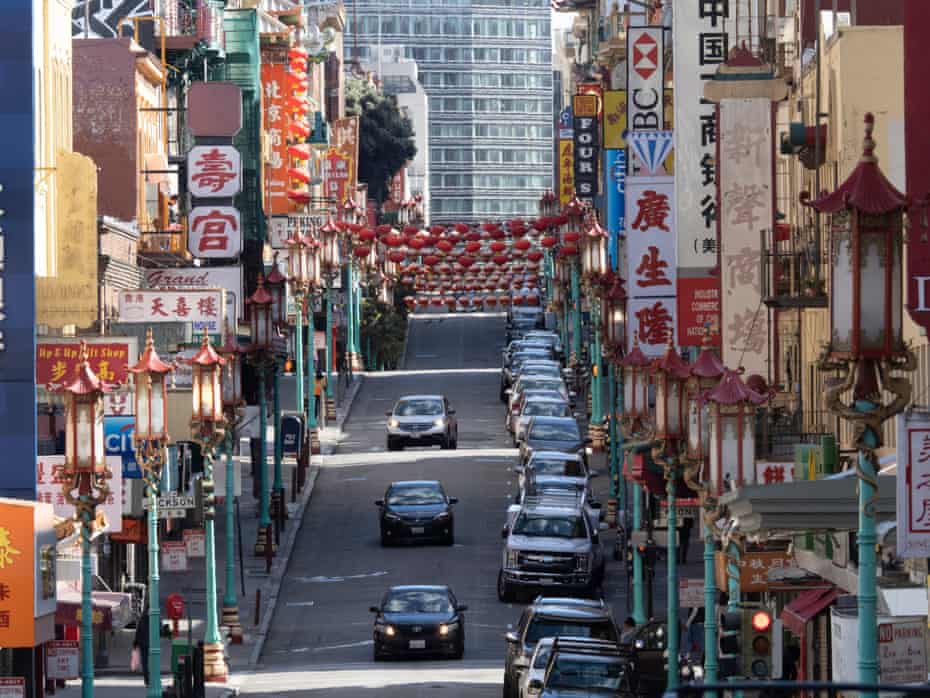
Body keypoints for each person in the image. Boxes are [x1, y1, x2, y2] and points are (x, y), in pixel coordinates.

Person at [134, 602, 150, 686]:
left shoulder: (143, 617)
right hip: (151, 643)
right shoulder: (155, 617)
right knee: (150, 661)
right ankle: (150, 679)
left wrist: (135, 642)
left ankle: (147, 679)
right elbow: (160, 630)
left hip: (143, 643)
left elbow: (138, 631)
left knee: (145, 662)